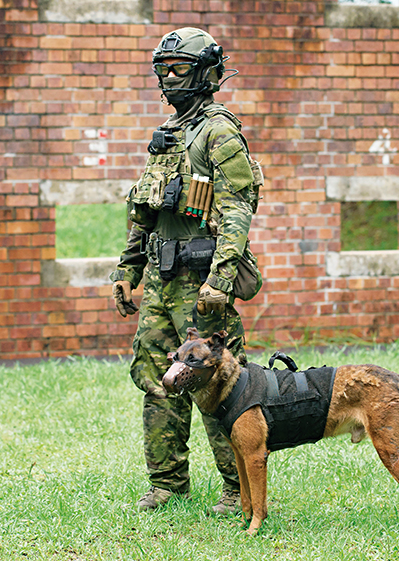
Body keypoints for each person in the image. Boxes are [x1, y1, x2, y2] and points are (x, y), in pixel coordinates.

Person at [109, 27, 263, 513]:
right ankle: (167, 483)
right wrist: (128, 269)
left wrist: (220, 279)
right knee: (157, 379)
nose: (169, 79)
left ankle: (238, 488)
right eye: (163, 70)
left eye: (179, 69)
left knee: (219, 387)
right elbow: (146, 210)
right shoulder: (169, 135)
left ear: (207, 74)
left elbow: (239, 207)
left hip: (200, 284)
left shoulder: (218, 131)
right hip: (159, 279)